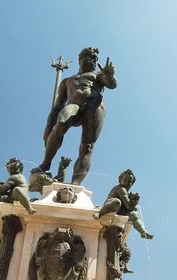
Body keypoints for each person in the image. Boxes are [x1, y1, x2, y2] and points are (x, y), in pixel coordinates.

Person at [35, 47, 117, 185]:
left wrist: (109, 75)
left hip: (94, 104)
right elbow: (57, 107)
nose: (92, 61)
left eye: (95, 59)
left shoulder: (97, 75)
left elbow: (111, 84)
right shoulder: (68, 81)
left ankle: (76, 183)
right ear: (81, 60)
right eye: (89, 58)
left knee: (87, 145)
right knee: (60, 123)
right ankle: (46, 163)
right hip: (74, 105)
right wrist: (48, 126)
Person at [96, 169, 154, 239]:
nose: (127, 182)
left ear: (132, 184)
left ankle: (143, 231)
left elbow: (132, 208)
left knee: (134, 214)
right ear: (120, 180)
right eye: (125, 180)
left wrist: (133, 201)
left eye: (129, 181)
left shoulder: (127, 193)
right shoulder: (121, 189)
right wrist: (133, 202)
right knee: (117, 202)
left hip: (119, 211)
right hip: (111, 207)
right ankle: (99, 213)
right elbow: (128, 206)